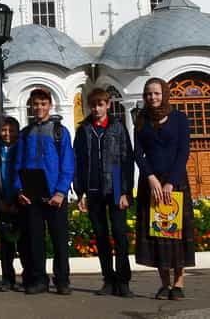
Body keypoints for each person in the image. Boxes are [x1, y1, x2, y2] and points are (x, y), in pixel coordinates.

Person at [134, 77, 195, 301]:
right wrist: (150, 177)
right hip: (151, 184)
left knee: (176, 235)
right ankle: (163, 284)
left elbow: (183, 151)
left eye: (157, 93)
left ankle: (178, 283)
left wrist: (170, 181)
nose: (153, 97)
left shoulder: (179, 118)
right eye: (149, 94)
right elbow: (138, 152)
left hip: (175, 182)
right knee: (157, 233)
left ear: (165, 93)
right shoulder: (141, 119)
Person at [73, 88, 134, 298]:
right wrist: (79, 192)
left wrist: (126, 191)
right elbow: (78, 161)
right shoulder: (84, 130)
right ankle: (108, 279)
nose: (97, 109)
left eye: (101, 104)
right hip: (93, 186)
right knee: (101, 236)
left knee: (119, 234)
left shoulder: (118, 127)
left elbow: (127, 158)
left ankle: (123, 281)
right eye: (94, 105)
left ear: (108, 105)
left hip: (116, 183)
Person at [14, 87, 74, 295]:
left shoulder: (60, 131)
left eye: (43, 103)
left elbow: (67, 164)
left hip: (54, 194)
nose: (39, 107)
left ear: (50, 105)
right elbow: (18, 164)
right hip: (32, 194)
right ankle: (39, 280)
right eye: (36, 104)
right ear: (31, 106)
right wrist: (19, 189)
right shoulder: (25, 133)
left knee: (59, 240)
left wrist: (60, 192)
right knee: (35, 240)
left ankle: (62, 280)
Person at [0, 116, 26, 292]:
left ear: (17, 131)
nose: (7, 134)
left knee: (24, 243)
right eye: (4, 130)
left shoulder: (23, 150)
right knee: (6, 244)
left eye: (11, 130)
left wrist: (20, 199)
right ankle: (7, 278)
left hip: (21, 203)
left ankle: (28, 276)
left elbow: (27, 174)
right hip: (3, 203)